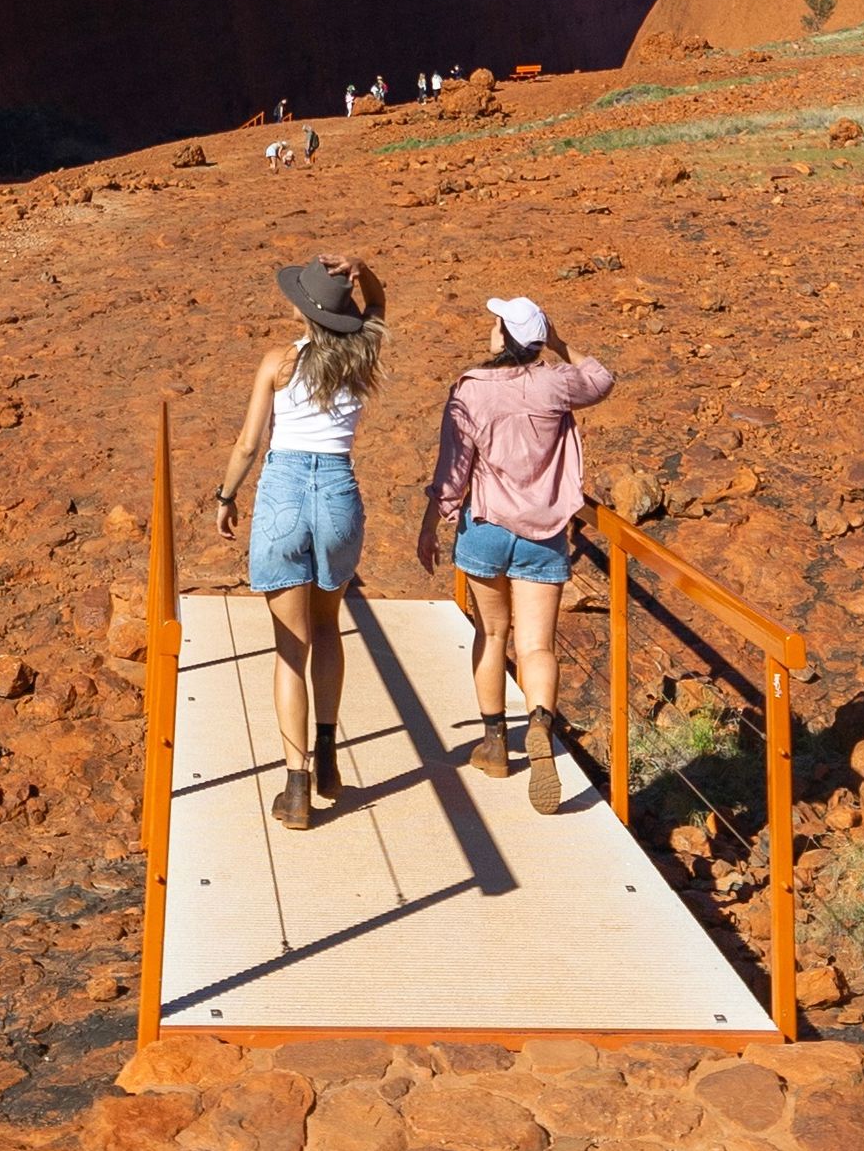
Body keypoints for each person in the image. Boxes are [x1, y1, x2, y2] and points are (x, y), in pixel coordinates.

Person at [417, 293, 615, 814]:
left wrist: (429, 526)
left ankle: (494, 745)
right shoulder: (556, 383)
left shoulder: (472, 390)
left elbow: (451, 471)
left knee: (491, 633)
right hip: (543, 533)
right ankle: (541, 723)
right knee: (537, 647)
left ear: (503, 336)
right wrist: (561, 344)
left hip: (484, 528)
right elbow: (602, 378)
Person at [209, 253, 386, 830]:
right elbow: (380, 308)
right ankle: (330, 756)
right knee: (329, 628)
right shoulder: (362, 356)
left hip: (284, 491)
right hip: (337, 491)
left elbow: (246, 443)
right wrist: (364, 270)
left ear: (303, 310)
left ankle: (297, 785)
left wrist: (225, 495)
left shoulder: (278, 363)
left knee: (291, 645)